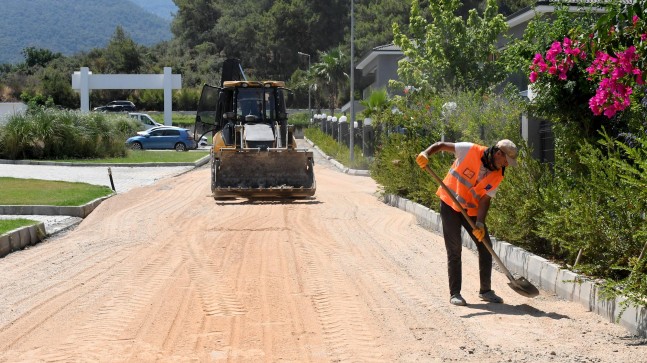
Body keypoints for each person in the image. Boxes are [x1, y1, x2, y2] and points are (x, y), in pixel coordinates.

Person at [416, 139, 518, 306]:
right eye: (506, 161)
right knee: (455, 249)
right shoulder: (469, 150)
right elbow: (440, 145)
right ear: (498, 153)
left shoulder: (498, 175)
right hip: (450, 203)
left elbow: (485, 200)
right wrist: (426, 153)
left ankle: (485, 291)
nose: (506, 165)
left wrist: (480, 223)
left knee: (486, 246)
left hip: (470, 211)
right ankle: (455, 293)